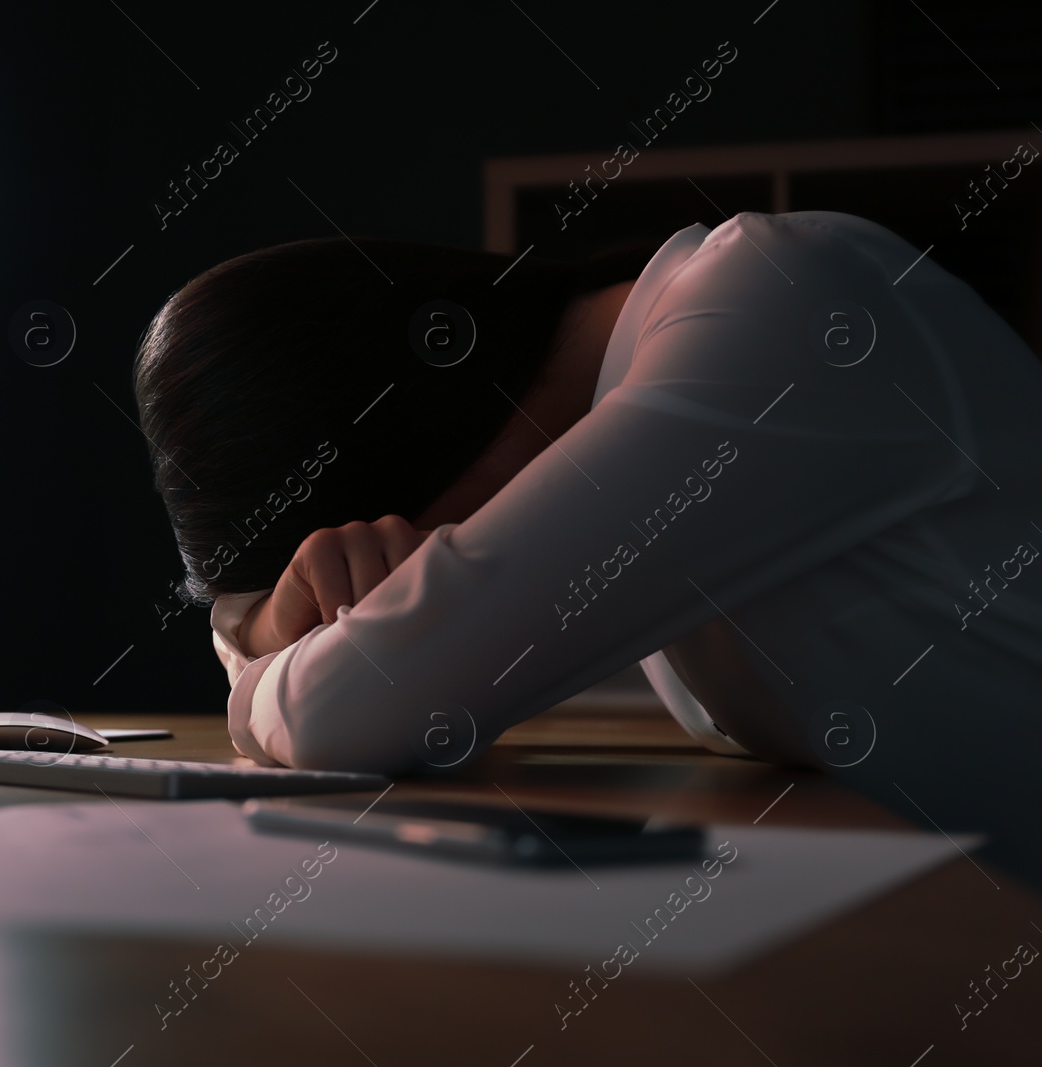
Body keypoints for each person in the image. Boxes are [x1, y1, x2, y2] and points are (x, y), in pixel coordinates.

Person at [132, 211, 1042, 779]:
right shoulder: (639, 432)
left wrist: (254, 668)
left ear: (410, 438)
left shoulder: (770, 302)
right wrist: (252, 632)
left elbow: (357, 709)